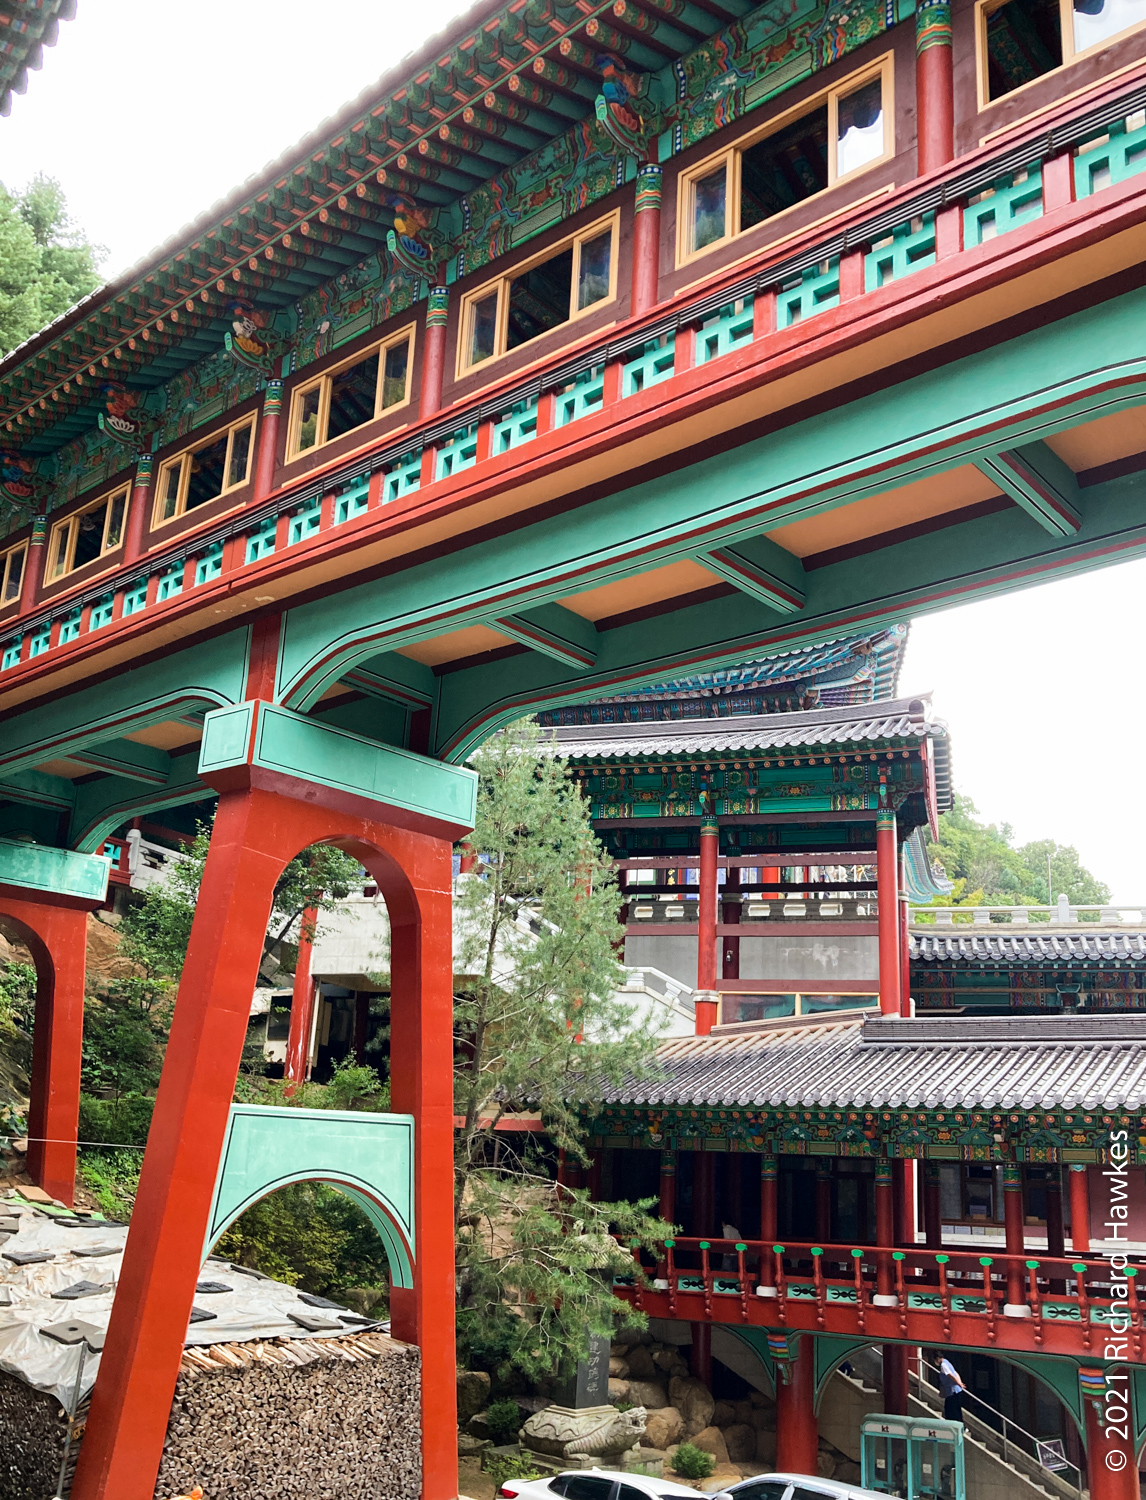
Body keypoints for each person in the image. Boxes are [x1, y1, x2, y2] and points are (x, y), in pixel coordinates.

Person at [937, 1355, 966, 1421]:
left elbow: (950, 1375)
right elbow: (955, 1373)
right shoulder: (947, 1362)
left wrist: (959, 1383)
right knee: (957, 1409)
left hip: (952, 1391)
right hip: (956, 1390)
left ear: (937, 1358)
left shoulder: (943, 1365)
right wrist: (960, 1383)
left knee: (951, 1410)